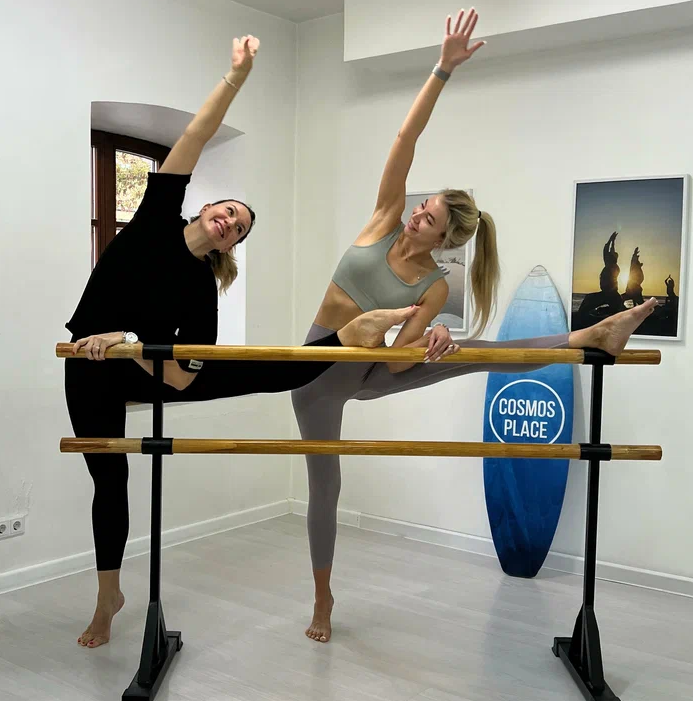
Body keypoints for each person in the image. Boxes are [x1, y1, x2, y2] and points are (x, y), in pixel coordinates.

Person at [291, 8, 658, 643]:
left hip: (370, 369)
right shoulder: (382, 219)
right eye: (422, 207)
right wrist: (441, 69)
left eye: (428, 218)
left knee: (473, 350)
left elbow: (398, 362)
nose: (416, 216)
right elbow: (404, 139)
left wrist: (431, 339)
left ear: (444, 241)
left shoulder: (435, 285)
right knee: (325, 485)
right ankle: (323, 597)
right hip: (316, 371)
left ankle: (590, 336)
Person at [64, 34, 418, 649]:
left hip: (145, 364)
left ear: (230, 245)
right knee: (109, 479)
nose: (228, 221)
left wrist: (130, 341)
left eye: (238, 226)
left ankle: (344, 336)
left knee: (264, 367)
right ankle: (108, 597)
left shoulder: (201, 290)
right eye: (227, 210)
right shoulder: (154, 218)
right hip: (86, 363)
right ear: (205, 208)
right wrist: (235, 76)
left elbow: (183, 377)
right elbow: (195, 136)